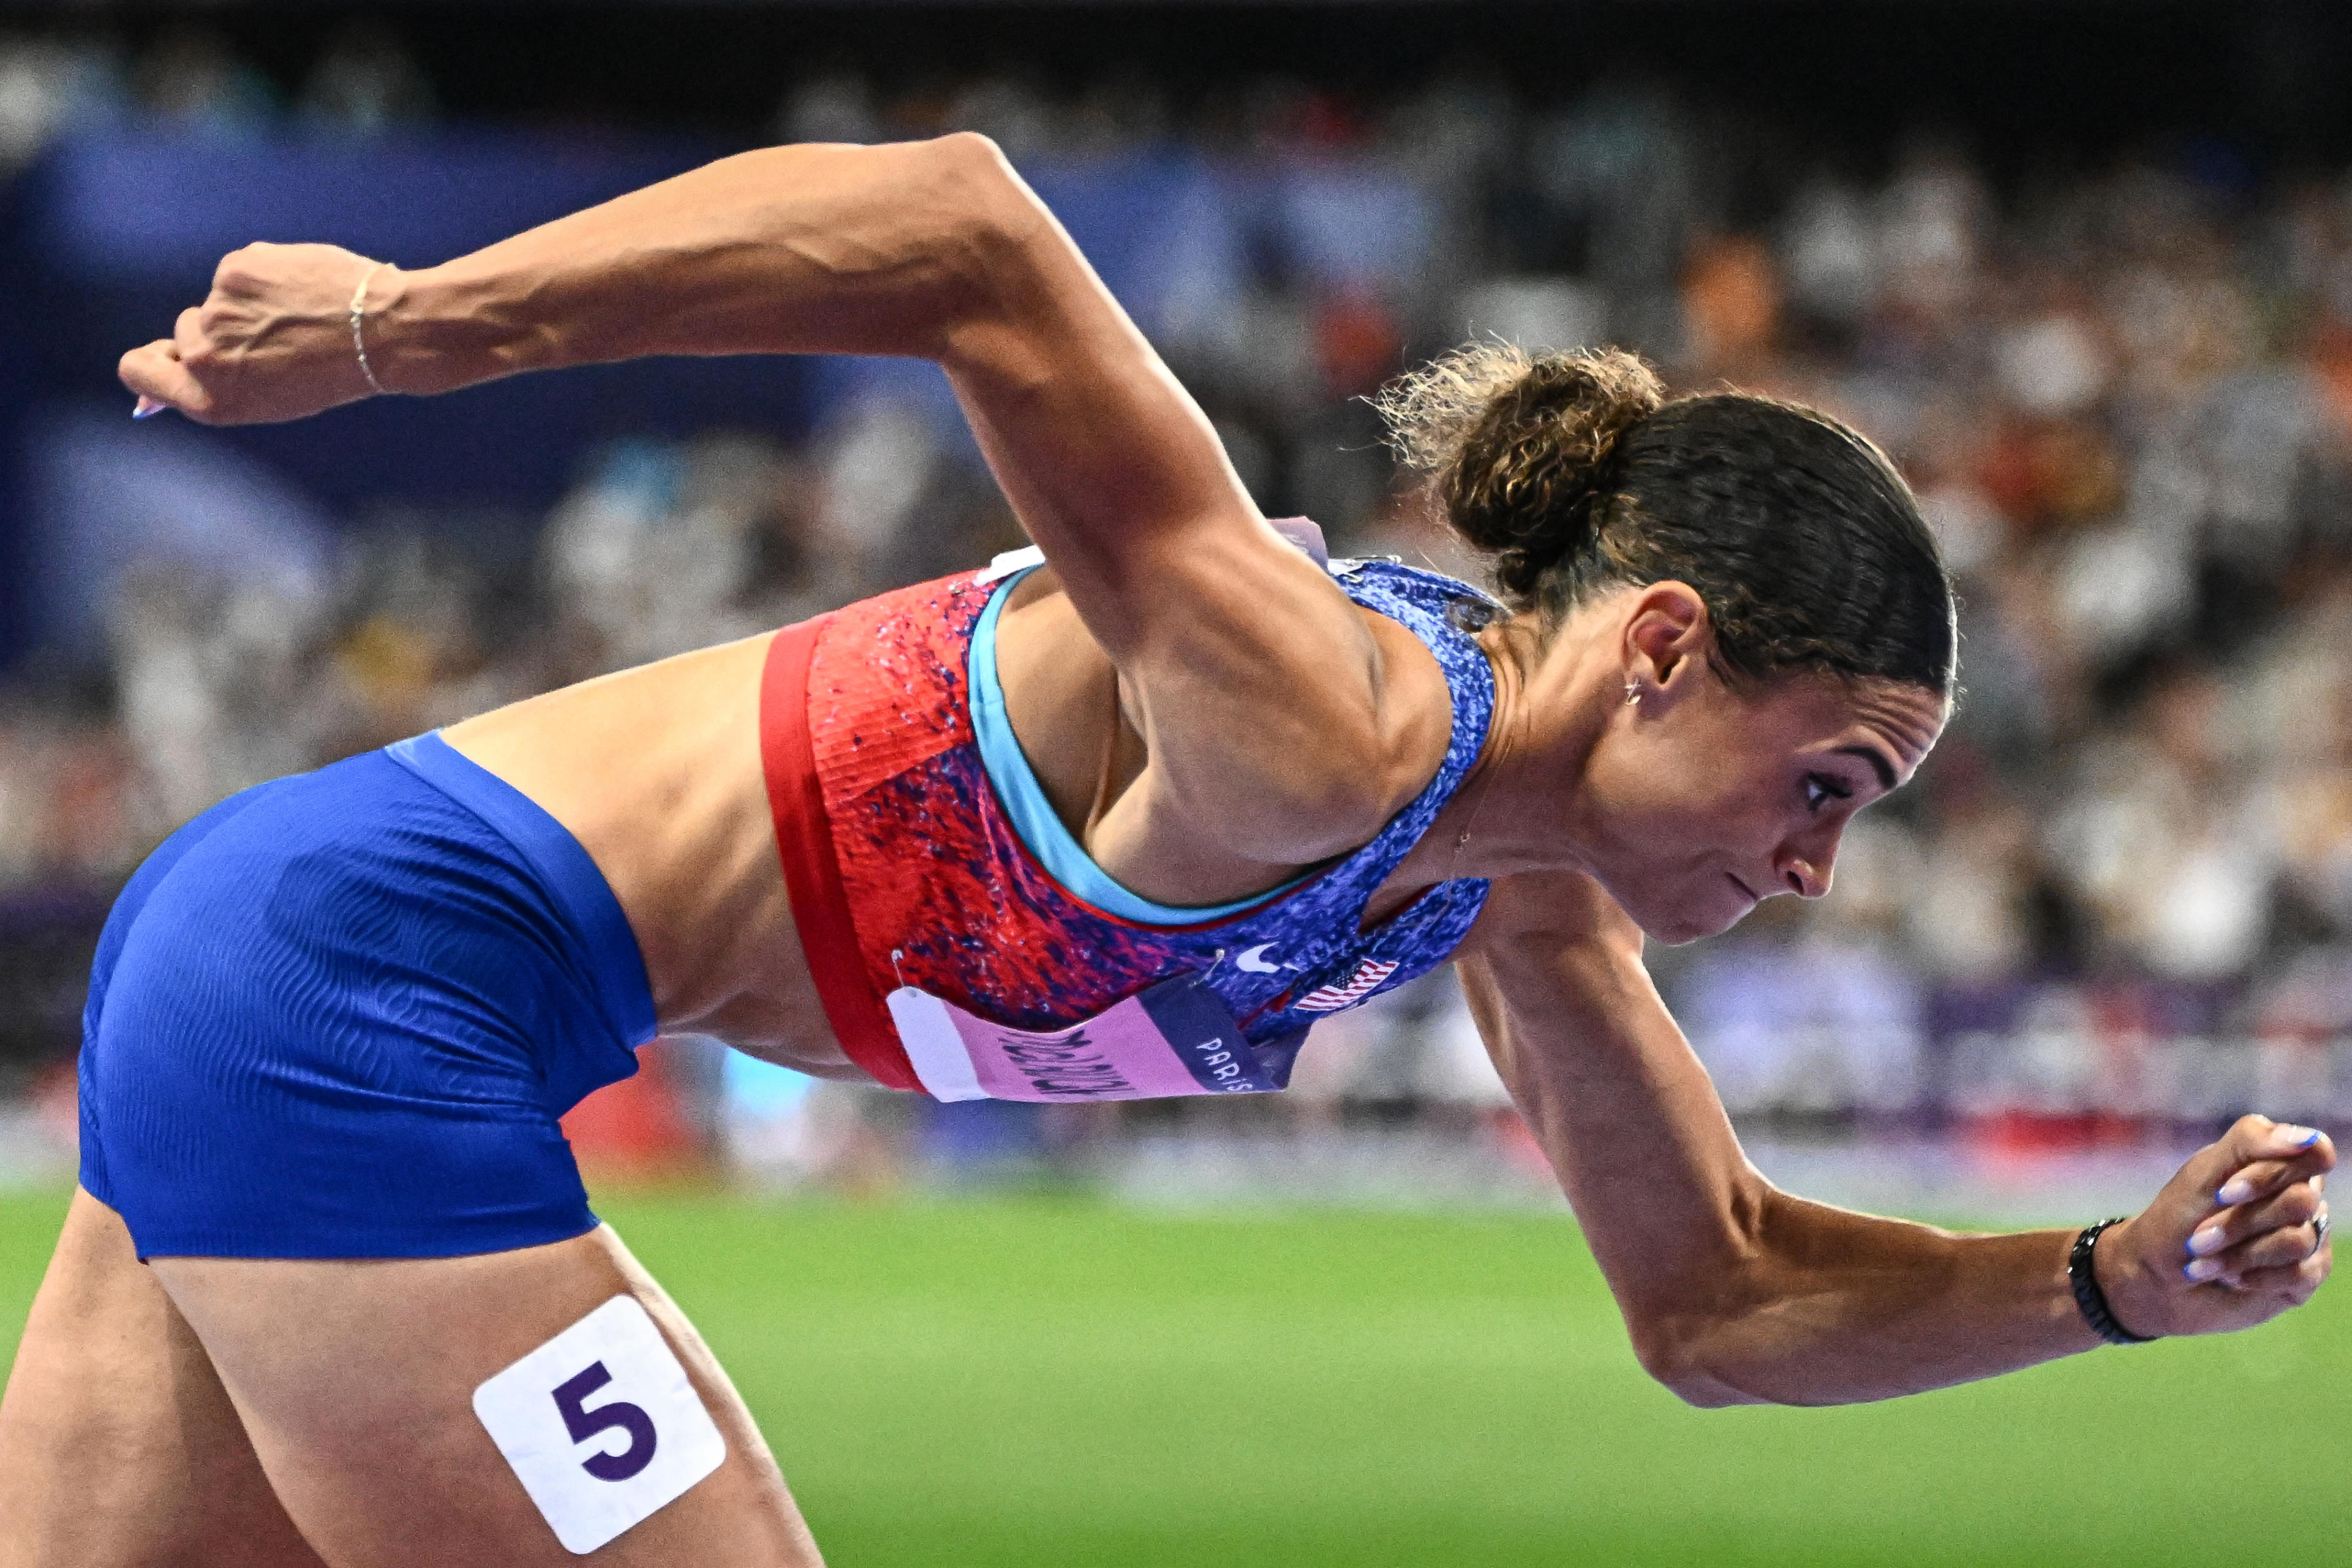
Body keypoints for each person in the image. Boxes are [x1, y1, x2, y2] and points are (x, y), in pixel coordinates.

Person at [0, 134, 2331, 1567]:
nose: (1823, 865)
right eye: (1828, 777)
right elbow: (960, 227)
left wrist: (2111, 1285)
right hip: (366, 984)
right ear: (1659, 646)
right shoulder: (1322, 716)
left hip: (303, 961)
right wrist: (408, 327)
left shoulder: (1495, 881)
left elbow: (1717, 1304)